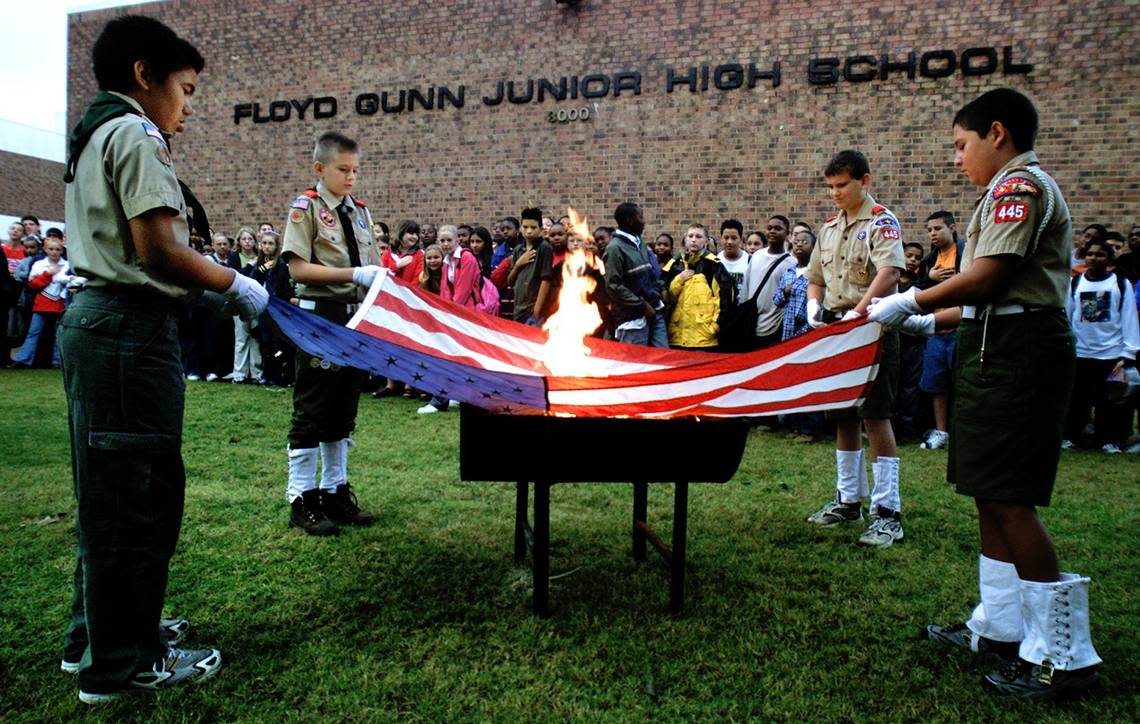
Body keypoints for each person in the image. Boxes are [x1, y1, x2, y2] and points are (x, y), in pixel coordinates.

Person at [58, 15, 268, 703]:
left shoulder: (94, 133)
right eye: (185, 87)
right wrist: (234, 284)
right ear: (145, 76)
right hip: (129, 327)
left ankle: (97, 632)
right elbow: (159, 248)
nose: (190, 104)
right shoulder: (136, 132)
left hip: (98, 323)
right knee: (137, 498)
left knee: (105, 491)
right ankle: (122, 664)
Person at [869, 87, 1102, 698]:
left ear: (997, 133)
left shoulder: (1018, 188)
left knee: (1010, 498)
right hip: (995, 344)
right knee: (987, 492)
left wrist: (913, 299)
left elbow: (991, 278)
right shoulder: (1000, 192)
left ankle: (1064, 656)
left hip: (1020, 353)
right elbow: (987, 299)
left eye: (960, 145)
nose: (956, 158)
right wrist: (928, 321)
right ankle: (1000, 626)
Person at [804, 149, 906, 548]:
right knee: (843, 416)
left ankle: (888, 512)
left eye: (842, 185)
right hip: (838, 329)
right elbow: (815, 275)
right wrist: (815, 304)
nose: (835, 193)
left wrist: (859, 313)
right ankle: (849, 500)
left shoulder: (881, 220)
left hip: (873, 327)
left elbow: (890, 271)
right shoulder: (830, 227)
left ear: (864, 181)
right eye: (830, 186)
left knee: (875, 416)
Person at [281, 131, 381, 537]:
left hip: (354, 316)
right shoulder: (305, 208)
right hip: (320, 316)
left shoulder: (360, 212)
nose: (351, 177)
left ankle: (334, 492)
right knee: (313, 408)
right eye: (343, 169)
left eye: (355, 169)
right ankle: (300, 498)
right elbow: (298, 269)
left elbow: (371, 261)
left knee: (343, 410)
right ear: (320, 168)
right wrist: (353, 274)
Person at [1062, 239, 1138, 452]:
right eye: (1090, 254)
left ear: (1109, 259)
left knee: (1109, 402)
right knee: (1077, 400)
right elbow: (1068, 315)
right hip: (1081, 352)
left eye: (1100, 255)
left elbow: (1129, 317)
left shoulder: (1120, 285)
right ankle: (1072, 436)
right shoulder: (1075, 284)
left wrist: (1128, 351)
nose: (1093, 258)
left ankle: (1108, 439)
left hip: (1110, 354)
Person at [661, 224, 733, 350]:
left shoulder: (713, 264)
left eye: (698, 236)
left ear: (706, 240)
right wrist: (679, 279)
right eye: (691, 236)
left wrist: (715, 327)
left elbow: (724, 298)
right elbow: (665, 295)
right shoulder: (674, 264)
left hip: (703, 338)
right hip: (677, 335)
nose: (694, 239)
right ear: (685, 239)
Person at [604, 202, 666, 347]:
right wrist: (642, 306)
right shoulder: (614, 248)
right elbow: (613, 286)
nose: (644, 222)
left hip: (654, 309)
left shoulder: (640, 243)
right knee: (635, 359)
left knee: (662, 356)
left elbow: (650, 273)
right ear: (629, 220)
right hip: (632, 319)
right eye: (641, 217)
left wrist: (660, 289)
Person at [10, 237, 72, 367]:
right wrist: (47, 274)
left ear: (62, 251)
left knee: (58, 334)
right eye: (51, 249)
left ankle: (58, 361)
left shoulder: (67, 265)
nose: (54, 252)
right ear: (45, 249)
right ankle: (24, 359)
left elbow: (71, 282)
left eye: (58, 249)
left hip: (60, 303)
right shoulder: (39, 265)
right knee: (34, 332)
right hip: (42, 303)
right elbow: (33, 284)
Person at [245, 229, 296, 387]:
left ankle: (280, 376)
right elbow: (252, 280)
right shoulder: (260, 263)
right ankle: (267, 375)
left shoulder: (281, 265)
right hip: (263, 308)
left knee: (279, 343)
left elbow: (282, 289)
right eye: (264, 243)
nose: (267, 247)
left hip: (278, 308)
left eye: (270, 244)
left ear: (276, 246)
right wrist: (262, 269)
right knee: (265, 342)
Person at [742, 215, 797, 349]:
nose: (772, 231)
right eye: (770, 228)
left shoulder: (791, 263)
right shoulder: (757, 255)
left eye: (778, 229)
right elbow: (746, 287)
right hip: (750, 321)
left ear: (787, 234)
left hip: (774, 325)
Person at [505, 207, 553, 325]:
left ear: (541, 229)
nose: (529, 231)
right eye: (525, 227)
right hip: (518, 308)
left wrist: (537, 310)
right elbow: (510, 282)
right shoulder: (518, 250)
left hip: (533, 308)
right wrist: (517, 265)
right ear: (520, 228)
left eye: (533, 227)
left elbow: (546, 280)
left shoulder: (544, 248)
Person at [228, 227, 261, 383]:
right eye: (244, 239)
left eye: (250, 239)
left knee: (256, 337)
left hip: (255, 301)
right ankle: (239, 374)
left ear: (255, 241)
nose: (247, 242)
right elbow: (235, 277)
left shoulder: (260, 257)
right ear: (239, 242)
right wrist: (249, 266)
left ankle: (256, 374)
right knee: (241, 337)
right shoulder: (234, 257)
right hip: (239, 301)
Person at [716, 219, 750, 299]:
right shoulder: (715, 261)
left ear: (741, 240)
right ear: (721, 239)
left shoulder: (750, 261)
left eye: (734, 238)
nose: (729, 242)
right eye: (726, 238)